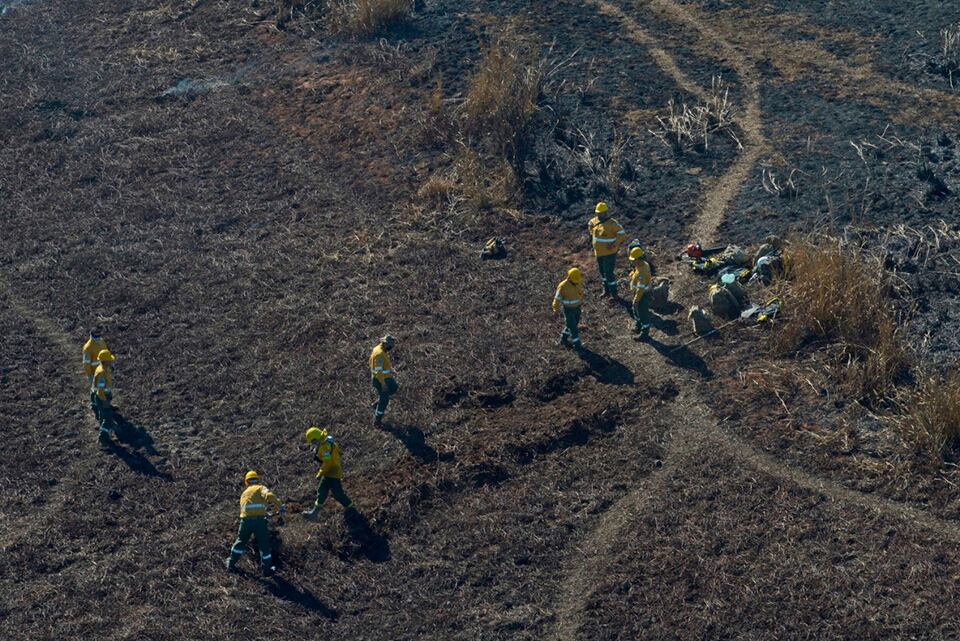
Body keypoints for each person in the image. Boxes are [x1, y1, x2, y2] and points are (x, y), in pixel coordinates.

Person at [226, 470, 284, 576]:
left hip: (245, 522)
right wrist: (280, 506)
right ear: (257, 480)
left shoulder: (244, 494)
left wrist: (266, 514)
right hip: (258, 522)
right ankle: (266, 570)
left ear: (246, 482)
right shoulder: (260, 488)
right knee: (264, 545)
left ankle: (231, 564)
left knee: (240, 542)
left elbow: (251, 509)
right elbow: (269, 495)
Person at [302, 427, 356, 520]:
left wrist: (320, 473)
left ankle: (351, 508)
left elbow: (327, 463)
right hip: (328, 472)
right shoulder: (326, 443)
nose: (313, 444)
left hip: (333, 472)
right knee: (322, 490)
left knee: (337, 493)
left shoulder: (325, 448)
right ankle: (314, 513)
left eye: (314, 442)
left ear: (316, 439)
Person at [587, 201, 626, 298]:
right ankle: (606, 290)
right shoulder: (594, 221)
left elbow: (622, 234)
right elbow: (590, 226)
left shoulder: (613, 224)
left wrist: (614, 244)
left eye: (601, 213)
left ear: (606, 213)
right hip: (599, 253)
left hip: (609, 253)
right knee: (602, 272)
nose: (599, 215)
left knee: (608, 273)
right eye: (598, 213)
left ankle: (614, 293)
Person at [370, 335, 398, 428]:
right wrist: (383, 384)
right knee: (384, 400)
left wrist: (391, 370)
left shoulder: (380, 349)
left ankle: (377, 402)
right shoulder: (379, 354)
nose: (391, 347)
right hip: (380, 379)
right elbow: (378, 372)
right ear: (385, 344)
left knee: (394, 387)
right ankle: (377, 421)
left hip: (385, 377)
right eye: (390, 345)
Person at [552, 267, 584, 350]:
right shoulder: (562, 286)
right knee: (573, 328)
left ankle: (563, 339)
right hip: (568, 310)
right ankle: (577, 346)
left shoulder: (579, 281)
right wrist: (555, 309)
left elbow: (581, 292)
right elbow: (557, 298)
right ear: (569, 277)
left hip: (577, 308)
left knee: (572, 324)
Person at [91, 349, 116, 444]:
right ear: (105, 361)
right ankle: (103, 437)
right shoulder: (102, 373)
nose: (111, 361)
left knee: (102, 416)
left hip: (102, 397)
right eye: (109, 360)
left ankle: (103, 430)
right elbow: (100, 390)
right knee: (108, 418)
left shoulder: (102, 368)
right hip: (102, 398)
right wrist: (105, 400)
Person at [82, 329, 108, 416]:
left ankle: (104, 403)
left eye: (99, 336)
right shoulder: (87, 348)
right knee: (95, 389)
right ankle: (94, 404)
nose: (98, 338)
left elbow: (106, 353)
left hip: (103, 369)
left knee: (103, 387)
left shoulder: (101, 341)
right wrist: (90, 375)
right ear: (91, 336)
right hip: (94, 372)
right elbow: (86, 364)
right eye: (95, 336)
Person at [629, 247, 653, 338]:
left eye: (633, 260)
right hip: (640, 294)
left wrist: (636, 299)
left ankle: (644, 333)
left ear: (639, 259)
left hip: (642, 295)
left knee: (643, 313)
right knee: (637, 311)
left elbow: (640, 289)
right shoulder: (642, 265)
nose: (632, 262)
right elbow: (636, 271)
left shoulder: (642, 272)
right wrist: (633, 274)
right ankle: (638, 325)